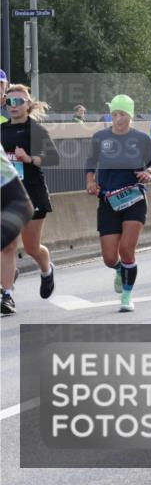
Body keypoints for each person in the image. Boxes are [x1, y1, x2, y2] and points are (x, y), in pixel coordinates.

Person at [84, 95, 151, 312]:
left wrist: (148, 172)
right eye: (114, 114)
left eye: (122, 114)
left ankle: (126, 295)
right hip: (108, 200)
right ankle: (118, 269)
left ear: (130, 116)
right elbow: (90, 163)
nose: (118, 119)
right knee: (109, 257)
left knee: (126, 249)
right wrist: (90, 181)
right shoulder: (100, 137)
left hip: (134, 198)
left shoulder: (142, 139)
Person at [1, 84, 58, 314]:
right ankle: (7, 295)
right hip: (7, 195)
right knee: (8, 246)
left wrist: (30, 159)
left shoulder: (35, 129)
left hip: (32, 193)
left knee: (33, 247)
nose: (13, 106)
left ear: (28, 104)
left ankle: (46, 269)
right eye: (9, 102)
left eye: (19, 102)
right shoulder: (2, 131)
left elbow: (53, 158)